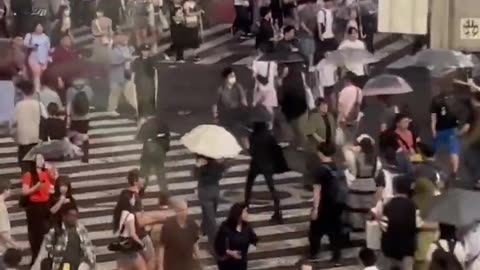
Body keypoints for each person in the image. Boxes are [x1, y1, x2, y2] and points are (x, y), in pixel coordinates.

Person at [308, 143, 344, 265]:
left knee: (315, 231)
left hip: (324, 204)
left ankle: (314, 254)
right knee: (335, 231)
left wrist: (315, 209)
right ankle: (337, 257)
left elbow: (317, 191)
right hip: (337, 203)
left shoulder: (319, 170)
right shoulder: (336, 166)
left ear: (320, 153)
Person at [244, 122, 287, 223]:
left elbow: (252, 152)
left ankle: (245, 206)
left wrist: (247, 148)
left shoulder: (252, 136)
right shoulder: (269, 136)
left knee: (249, 185)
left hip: (255, 165)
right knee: (272, 188)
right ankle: (278, 212)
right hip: (267, 165)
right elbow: (275, 149)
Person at [21, 154, 57, 265]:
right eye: (39, 159)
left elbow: (53, 186)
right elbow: (24, 192)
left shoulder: (46, 173)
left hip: (46, 205)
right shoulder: (29, 175)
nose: (41, 161)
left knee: (49, 231)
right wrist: (36, 187)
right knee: (36, 233)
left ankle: (48, 257)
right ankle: (36, 257)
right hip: (34, 207)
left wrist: (54, 177)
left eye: (42, 158)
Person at [380, 175, 421, 270]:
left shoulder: (387, 205)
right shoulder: (413, 206)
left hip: (389, 249)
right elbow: (418, 226)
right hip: (407, 250)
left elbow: (383, 226)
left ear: (395, 188)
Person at [343, 134, 381, 231]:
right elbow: (376, 173)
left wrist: (352, 149)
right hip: (370, 184)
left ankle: (357, 227)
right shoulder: (376, 159)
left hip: (357, 184)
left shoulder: (354, 158)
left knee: (356, 209)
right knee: (368, 208)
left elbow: (345, 149)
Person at [43, 204, 96, 270]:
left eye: (76, 216)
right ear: (64, 216)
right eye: (72, 215)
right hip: (62, 265)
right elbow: (47, 247)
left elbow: (88, 247)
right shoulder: (55, 231)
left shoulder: (81, 229)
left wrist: (90, 262)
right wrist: (57, 252)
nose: (74, 218)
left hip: (79, 265)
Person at [11, 80, 47, 173]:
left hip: (23, 139)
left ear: (22, 91)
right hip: (36, 138)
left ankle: (27, 183)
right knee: (36, 163)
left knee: (25, 164)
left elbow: (13, 123)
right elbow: (45, 119)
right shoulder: (39, 105)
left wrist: (14, 136)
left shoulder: (18, 106)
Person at [194, 155, 227, 255]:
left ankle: (203, 228)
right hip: (205, 192)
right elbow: (195, 176)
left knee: (211, 214)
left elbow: (221, 175)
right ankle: (213, 246)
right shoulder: (201, 161)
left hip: (214, 191)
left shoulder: (217, 162)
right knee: (212, 221)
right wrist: (197, 165)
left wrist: (220, 164)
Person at [112, 183, 148, 270]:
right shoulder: (130, 216)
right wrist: (142, 244)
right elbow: (132, 234)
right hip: (130, 248)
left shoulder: (121, 214)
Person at [136, 115, 170, 206]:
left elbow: (139, 138)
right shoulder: (163, 124)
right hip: (160, 154)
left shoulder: (146, 125)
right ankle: (164, 199)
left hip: (147, 154)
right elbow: (167, 141)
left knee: (143, 174)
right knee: (161, 177)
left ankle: (138, 196)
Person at [430, 90, 464, 178]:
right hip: (451, 130)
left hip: (441, 129)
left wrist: (433, 130)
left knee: (434, 150)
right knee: (453, 151)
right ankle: (454, 172)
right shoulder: (456, 99)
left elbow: (433, 117)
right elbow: (461, 116)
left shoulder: (436, 100)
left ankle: (434, 170)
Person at [158, 200, 201, 270]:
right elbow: (161, 247)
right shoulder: (168, 226)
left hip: (188, 263)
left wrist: (198, 257)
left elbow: (195, 242)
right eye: (181, 210)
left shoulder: (192, 224)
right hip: (172, 263)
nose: (184, 212)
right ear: (176, 211)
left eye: (185, 210)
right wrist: (160, 266)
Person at [215, 203, 258, 270]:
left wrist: (249, 248)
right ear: (239, 214)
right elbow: (218, 245)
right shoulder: (225, 228)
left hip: (242, 264)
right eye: (245, 212)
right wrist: (230, 253)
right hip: (228, 264)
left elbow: (254, 239)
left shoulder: (246, 227)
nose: (247, 214)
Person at [213, 67, 249, 148]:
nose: (233, 78)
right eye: (231, 76)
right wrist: (215, 116)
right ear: (225, 78)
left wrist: (245, 111)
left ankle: (249, 149)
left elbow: (243, 100)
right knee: (225, 135)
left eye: (234, 76)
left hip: (237, 113)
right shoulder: (220, 90)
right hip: (226, 115)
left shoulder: (238, 87)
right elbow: (215, 104)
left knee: (243, 134)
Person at [108, 32, 137, 117]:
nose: (126, 40)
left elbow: (133, 53)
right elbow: (113, 60)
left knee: (131, 93)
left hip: (127, 74)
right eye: (124, 39)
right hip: (116, 75)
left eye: (127, 39)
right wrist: (127, 58)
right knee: (114, 93)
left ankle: (138, 109)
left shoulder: (128, 48)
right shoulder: (114, 49)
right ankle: (111, 109)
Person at [66, 78, 92, 163]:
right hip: (86, 117)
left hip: (75, 118)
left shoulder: (70, 91)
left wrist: (68, 117)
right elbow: (89, 101)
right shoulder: (88, 89)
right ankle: (85, 156)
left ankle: (74, 154)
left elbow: (68, 105)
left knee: (72, 136)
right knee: (85, 136)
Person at [131, 44, 157, 118]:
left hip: (149, 81)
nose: (145, 52)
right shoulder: (137, 60)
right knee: (140, 97)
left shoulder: (152, 60)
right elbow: (133, 70)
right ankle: (141, 113)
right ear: (141, 51)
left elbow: (155, 69)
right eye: (144, 51)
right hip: (140, 81)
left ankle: (152, 113)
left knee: (151, 96)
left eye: (147, 51)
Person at [338, 72, 363, 143]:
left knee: (345, 142)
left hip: (344, 121)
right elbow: (359, 104)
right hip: (355, 119)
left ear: (347, 80)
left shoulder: (343, 91)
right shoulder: (359, 90)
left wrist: (338, 121)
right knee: (353, 140)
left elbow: (341, 108)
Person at [24, 23, 51, 92]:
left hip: (43, 58)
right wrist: (32, 46)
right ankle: (37, 91)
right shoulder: (30, 35)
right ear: (34, 27)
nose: (39, 28)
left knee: (38, 76)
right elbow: (25, 44)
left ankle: (33, 89)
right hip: (34, 57)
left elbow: (48, 48)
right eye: (38, 26)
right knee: (37, 74)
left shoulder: (46, 37)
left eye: (41, 26)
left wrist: (48, 58)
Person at [0, 181, 20, 264]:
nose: (10, 192)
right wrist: (15, 245)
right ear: (5, 190)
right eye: (10, 189)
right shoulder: (1, 208)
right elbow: (2, 231)